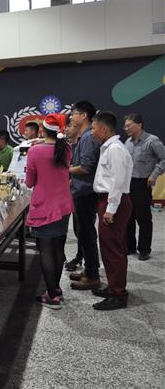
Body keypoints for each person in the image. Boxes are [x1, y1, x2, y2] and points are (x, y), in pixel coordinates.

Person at [26, 113, 74, 309]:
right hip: (64, 205)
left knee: (45, 250)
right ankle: (56, 288)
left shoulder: (35, 151)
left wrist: (36, 147)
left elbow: (30, 182)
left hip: (45, 206)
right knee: (58, 248)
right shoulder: (66, 148)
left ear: (42, 130)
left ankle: (52, 295)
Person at [90, 111, 133, 310]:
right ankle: (114, 287)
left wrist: (111, 208)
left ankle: (118, 294)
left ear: (104, 129)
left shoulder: (115, 149)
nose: (92, 132)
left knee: (112, 249)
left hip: (112, 201)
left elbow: (118, 181)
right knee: (111, 247)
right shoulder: (109, 147)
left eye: (94, 128)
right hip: (108, 200)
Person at [68, 101, 102, 290]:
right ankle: (89, 270)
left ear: (83, 116)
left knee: (87, 234)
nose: (71, 117)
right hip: (80, 190)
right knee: (83, 233)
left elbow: (86, 167)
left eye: (74, 114)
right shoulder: (84, 137)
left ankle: (93, 275)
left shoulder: (89, 138)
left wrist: (66, 170)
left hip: (86, 193)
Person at [124, 113, 165, 261]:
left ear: (139, 125)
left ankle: (144, 249)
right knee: (128, 216)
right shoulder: (127, 142)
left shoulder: (152, 141)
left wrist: (154, 175)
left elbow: (164, 159)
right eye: (125, 125)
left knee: (143, 218)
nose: (126, 128)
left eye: (129, 125)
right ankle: (130, 246)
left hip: (143, 183)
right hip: (128, 183)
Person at [63, 116, 86, 272]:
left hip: (82, 192)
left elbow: (84, 168)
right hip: (70, 191)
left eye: (70, 126)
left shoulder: (83, 143)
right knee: (77, 228)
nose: (66, 129)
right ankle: (79, 257)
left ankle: (87, 264)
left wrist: (66, 172)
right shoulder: (69, 145)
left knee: (83, 229)